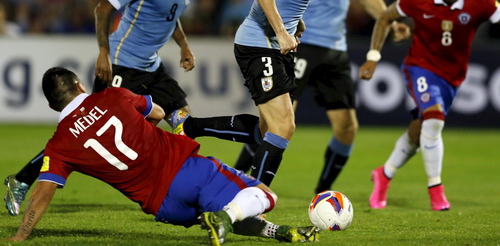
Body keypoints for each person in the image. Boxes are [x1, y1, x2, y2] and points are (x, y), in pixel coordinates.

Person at [4, 0, 258, 216]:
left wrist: (184, 45)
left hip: (153, 67)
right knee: (81, 133)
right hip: (120, 65)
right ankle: (21, 180)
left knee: (183, 123)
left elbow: (169, 15)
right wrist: (103, 52)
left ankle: (202, 185)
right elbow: (104, 7)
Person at [3, 67, 320, 245]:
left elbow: (43, 192)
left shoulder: (59, 143)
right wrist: (140, 130)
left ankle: (277, 233)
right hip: (185, 171)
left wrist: (21, 235)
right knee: (263, 195)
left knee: (225, 211)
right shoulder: (114, 96)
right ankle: (227, 218)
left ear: (51, 106)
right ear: (79, 84)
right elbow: (155, 111)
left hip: (164, 207)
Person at [233, 0, 410, 193]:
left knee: (346, 128)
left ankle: (320, 194)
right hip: (298, 43)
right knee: (277, 123)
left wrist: (389, 21)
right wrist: (281, 28)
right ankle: (237, 178)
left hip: (334, 46)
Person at [359, 0, 500, 211]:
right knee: (434, 121)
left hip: (452, 79)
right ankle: (436, 189)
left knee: (418, 132)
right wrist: (373, 56)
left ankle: (384, 174)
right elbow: (386, 17)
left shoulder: (480, 2)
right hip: (419, 69)